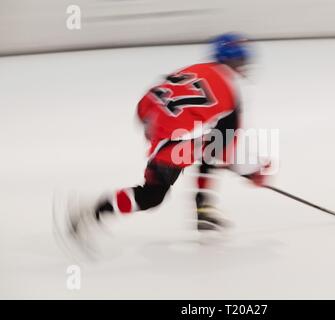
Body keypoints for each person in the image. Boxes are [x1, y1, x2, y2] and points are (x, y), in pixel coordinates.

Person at [68, 33, 270, 242]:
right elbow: (227, 147)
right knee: (152, 196)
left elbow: (145, 105)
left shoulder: (193, 70)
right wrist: (253, 171)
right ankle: (94, 210)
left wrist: (157, 131)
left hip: (166, 134)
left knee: (209, 146)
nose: (243, 66)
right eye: (241, 61)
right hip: (176, 144)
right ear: (233, 61)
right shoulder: (232, 93)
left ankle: (204, 208)